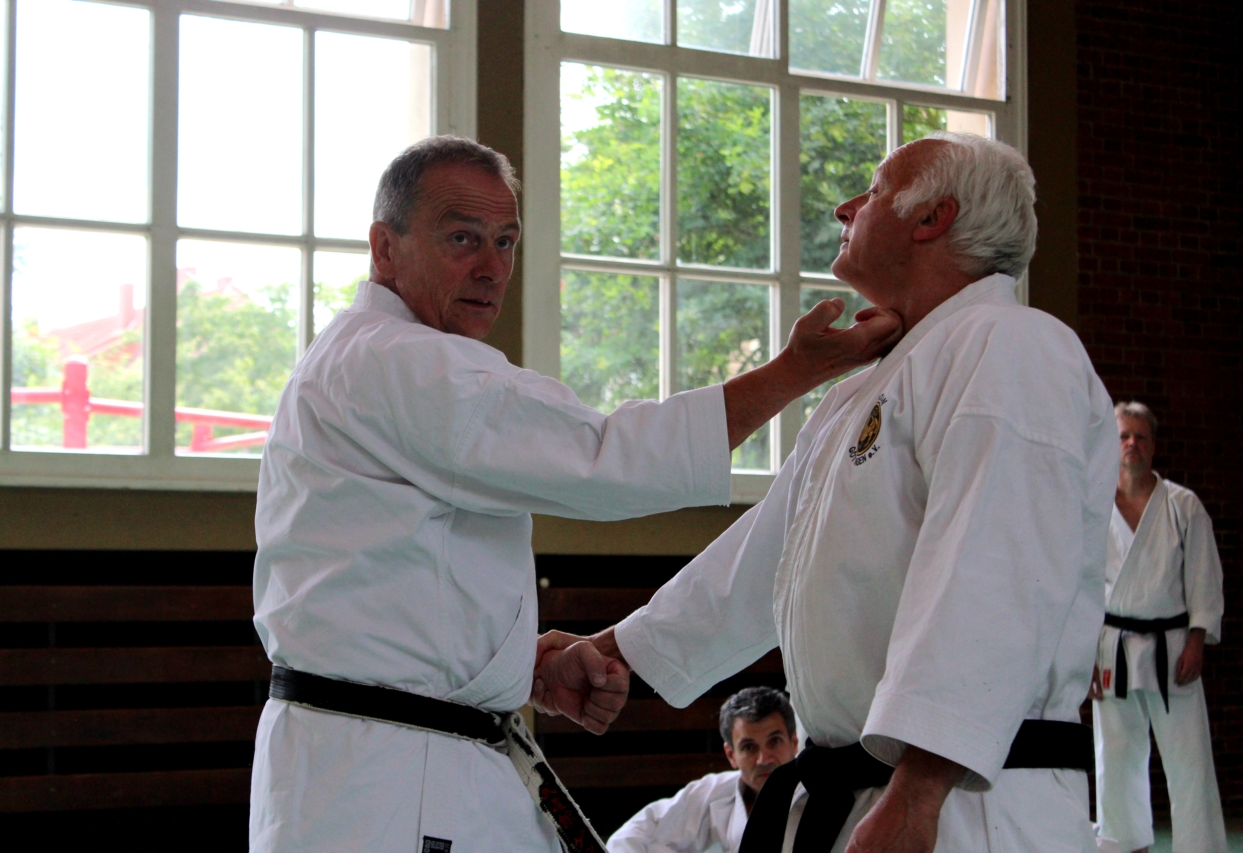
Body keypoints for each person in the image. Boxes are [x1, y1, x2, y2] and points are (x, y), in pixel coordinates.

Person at [249, 135, 902, 853]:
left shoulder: (369, 359)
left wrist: (515, 666)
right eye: (462, 238)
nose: (491, 267)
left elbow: (383, 578)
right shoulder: (397, 360)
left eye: (505, 241)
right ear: (385, 248)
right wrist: (793, 371)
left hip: (400, 753)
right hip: (391, 775)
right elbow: (609, 459)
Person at [535, 132, 1120, 852]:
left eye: (873, 191)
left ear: (932, 217)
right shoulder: (862, 389)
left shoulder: (1012, 343)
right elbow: (768, 558)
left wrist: (919, 792)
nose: (845, 207)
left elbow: (996, 574)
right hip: (860, 790)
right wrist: (617, 650)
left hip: (967, 803)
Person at [1090, 401, 1226, 853]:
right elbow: (1079, 586)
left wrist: (1197, 640)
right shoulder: (1092, 505)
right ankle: (1125, 843)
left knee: (1189, 757)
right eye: (1123, 436)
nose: (1132, 443)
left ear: (1153, 445)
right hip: (1112, 645)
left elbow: (1204, 578)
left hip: (1173, 644)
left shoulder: (1183, 505)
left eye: (1141, 436)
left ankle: (1200, 846)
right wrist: (1084, 655)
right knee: (1116, 754)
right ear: (1111, 443)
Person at [608, 687, 804, 853]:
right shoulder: (715, 791)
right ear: (731, 755)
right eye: (748, 747)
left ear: (794, 743)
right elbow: (629, 837)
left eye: (774, 741)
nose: (763, 759)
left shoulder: (814, 791)